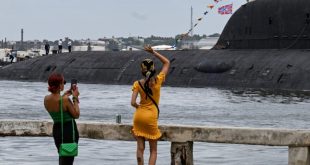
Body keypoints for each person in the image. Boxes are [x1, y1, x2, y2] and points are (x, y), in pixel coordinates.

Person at [131, 45, 170, 165]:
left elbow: (132, 103)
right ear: (153, 69)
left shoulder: (137, 83)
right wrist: (153, 52)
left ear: (142, 71)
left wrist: (140, 108)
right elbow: (167, 62)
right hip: (151, 118)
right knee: (153, 150)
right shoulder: (158, 81)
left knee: (140, 148)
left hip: (138, 117)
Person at [44, 73, 80, 165]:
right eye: (63, 82)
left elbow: (59, 107)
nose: (64, 84)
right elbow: (76, 115)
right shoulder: (64, 100)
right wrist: (75, 97)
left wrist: (64, 95)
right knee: (68, 159)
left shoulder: (46, 99)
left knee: (62, 155)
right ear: (59, 85)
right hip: (68, 131)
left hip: (57, 130)